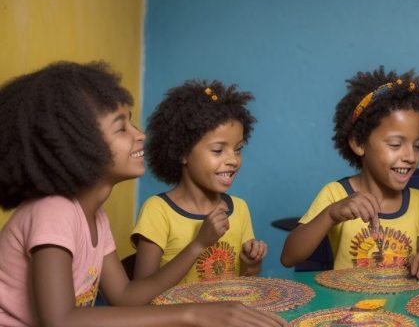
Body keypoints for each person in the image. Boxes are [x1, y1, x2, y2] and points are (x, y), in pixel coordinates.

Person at [0, 61, 284, 326]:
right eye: (121, 128)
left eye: (131, 123)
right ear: (77, 144)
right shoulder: (53, 210)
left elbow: (125, 297)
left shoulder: (95, 216)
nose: (140, 135)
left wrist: (206, 299)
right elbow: (60, 320)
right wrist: (193, 313)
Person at [280, 68, 419, 280]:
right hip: (348, 300)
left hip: (405, 301)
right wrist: (330, 215)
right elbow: (289, 257)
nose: (410, 156)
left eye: (418, 145)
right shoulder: (336, 194)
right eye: (395, 144)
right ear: (359, 143)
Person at [132, 80, 266, 284]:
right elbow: (141, 291)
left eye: (238, 149)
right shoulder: (158, 211)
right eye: (218, 150)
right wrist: (200, 243)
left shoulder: (239, 209)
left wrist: (251, 266)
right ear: (182, 152)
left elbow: (243, 285)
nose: (233, 160)